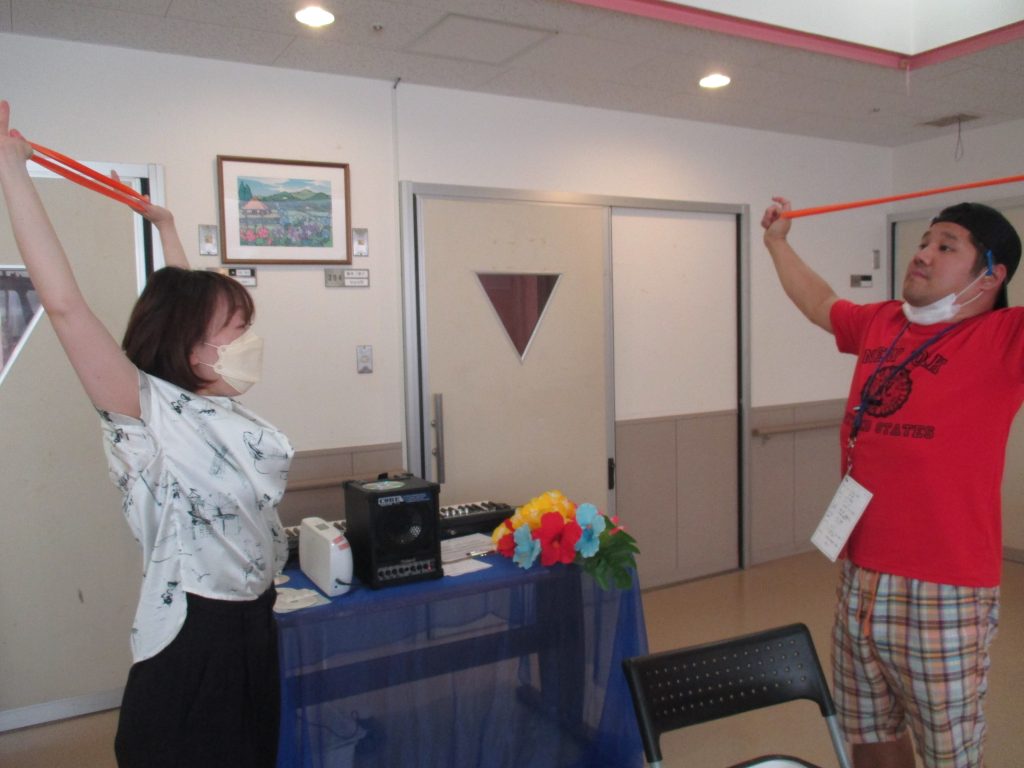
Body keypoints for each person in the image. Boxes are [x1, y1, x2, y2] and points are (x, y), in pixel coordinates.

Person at [0, 100, 292, 768]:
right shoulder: (147, 415)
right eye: (238, 330)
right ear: (193, 349)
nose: (250, 340)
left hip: (254, 623)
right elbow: (65, 306)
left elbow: (188, 302)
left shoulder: (216, 403)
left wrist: (166, 226)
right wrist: (12, 169)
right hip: (196, 636)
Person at [762, 195, 1023, 768]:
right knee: (869, 735)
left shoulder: (1007, 337)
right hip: (861, 576)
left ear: (991, 275)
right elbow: (820, 302)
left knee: (949, 752)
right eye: (924, 242)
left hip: (945, 589)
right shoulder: (883, 322)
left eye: (946, 247)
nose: (923, 255)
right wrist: (777, 244)